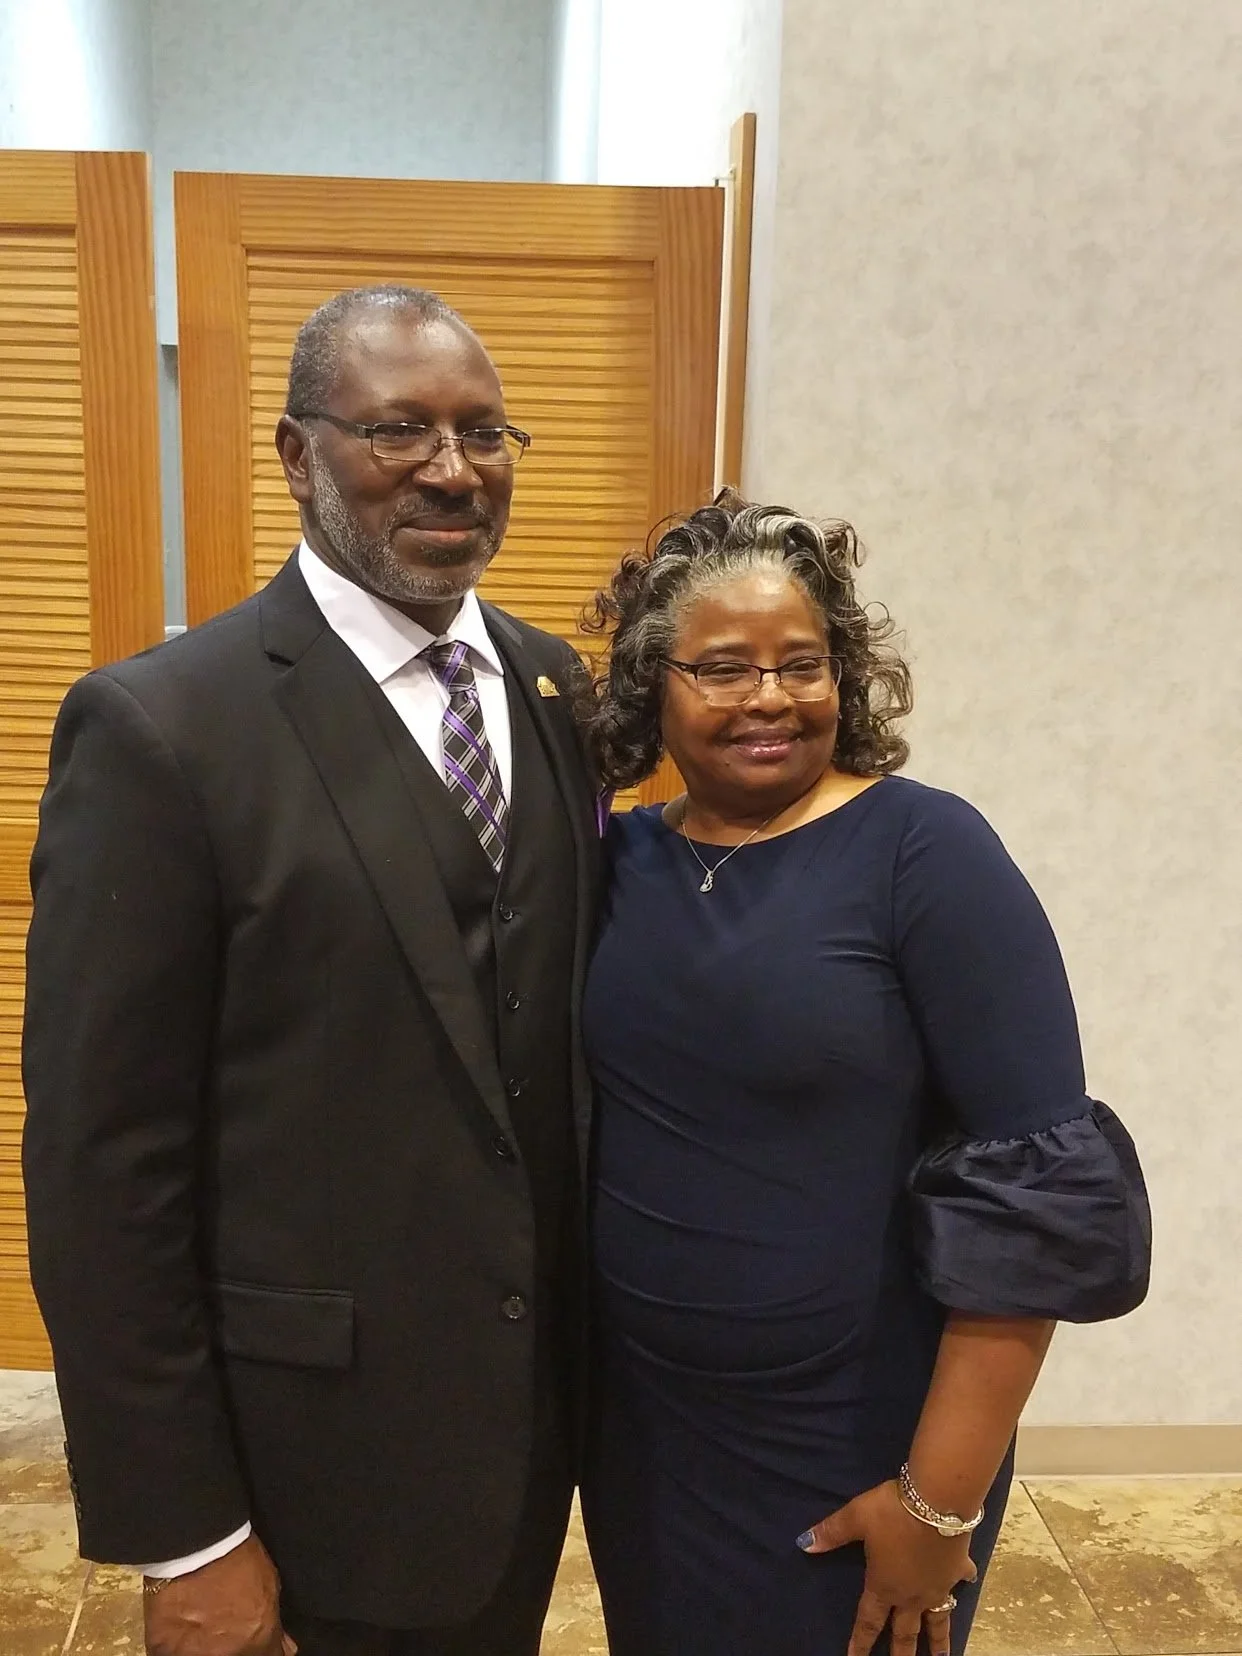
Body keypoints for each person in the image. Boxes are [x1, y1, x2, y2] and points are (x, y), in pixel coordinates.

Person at [22, 285, 601, 1656]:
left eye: (483, 432)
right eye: (397, 430)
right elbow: (103, 1168)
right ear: (298, 454)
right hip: (298, 1464)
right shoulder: (163, 730)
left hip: (527, 1438)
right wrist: (186, 1531)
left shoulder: (554, 690)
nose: (451, 471)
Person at [576, 490, 1151, 1656]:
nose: (772, 697)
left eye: (804, 662)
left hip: (852, 1445)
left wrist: (940, 1505)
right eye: (724, 668)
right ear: (654, 685)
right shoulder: (617, 859)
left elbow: (1031, 1205)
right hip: (646, 1440)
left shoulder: (925, 851)